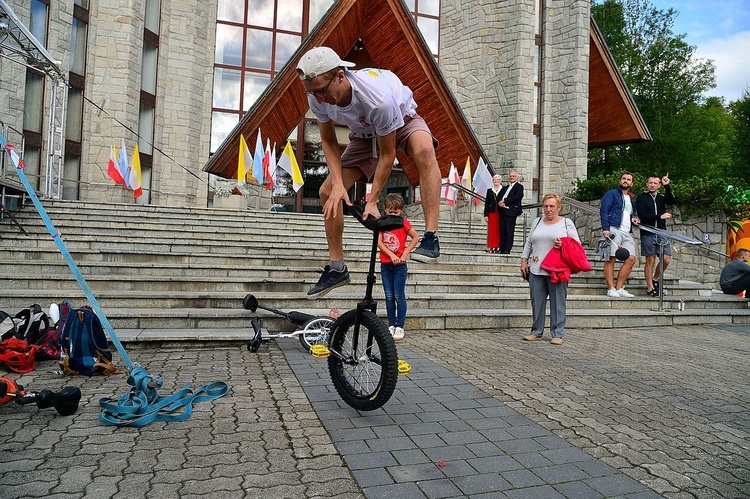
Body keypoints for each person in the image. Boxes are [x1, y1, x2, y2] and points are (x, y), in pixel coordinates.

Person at [296, 47, 442, 298]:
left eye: (321, 91)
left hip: (403, 120)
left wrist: (373, 199)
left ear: (340, 75)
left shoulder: (377, 99)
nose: (318, 98)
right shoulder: (316, 96)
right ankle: (337, 268)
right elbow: (329, 141)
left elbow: (388, 153)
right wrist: (340, 185)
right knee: (327, 191)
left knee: (425, 149)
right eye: (312, 93)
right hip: (365, 135)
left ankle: (431, 236)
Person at [520, 193, 581, 345]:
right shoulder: (537, 221)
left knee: (558, 302)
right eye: (546, 206)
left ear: (558, 207)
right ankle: (536, 331)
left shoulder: (566, 223)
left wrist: (564, 245)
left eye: (552, 206)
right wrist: (523, 261)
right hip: (536, 268)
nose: (548, 209)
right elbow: (529, 242)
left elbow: (577, 245)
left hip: (557, 269)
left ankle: (558, 334)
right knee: (537, 302)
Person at [377, 193, 419, 341]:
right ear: (385, 209)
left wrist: (405, 253)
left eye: (396, 212)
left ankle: (400, 326)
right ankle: (391, 324)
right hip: (386, 265)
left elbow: (415, 237)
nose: (393, 214)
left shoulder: (403, 222)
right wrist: (391, 255)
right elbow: (380, 242)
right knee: (389, 296)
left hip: (400, 266)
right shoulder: (382, 223)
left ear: (401, 211)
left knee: (398, 296)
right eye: (390, 212)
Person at [600, 172, 639, 298]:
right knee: (611, 258)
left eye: (628, 179)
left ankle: (619, 288)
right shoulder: (612, 194)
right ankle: (611, 288)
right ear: (620, 181)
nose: (625, 181)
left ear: (632, 183)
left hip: (627, 232)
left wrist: (633, 219)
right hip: (613, 228)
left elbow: (627, 213)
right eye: (623, 178)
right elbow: (604, 211)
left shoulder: (631, 199)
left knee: (631, 259)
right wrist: (606, 228)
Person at [636, 173, 675, 296]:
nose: (652, 185)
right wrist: (660, 216)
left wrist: (667, 185)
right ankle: (650, 287)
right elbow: (643, 216)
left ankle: (655, 278)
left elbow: (672, 201)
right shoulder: (642, 197)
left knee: (666, 259)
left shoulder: (661, 197)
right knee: (650, 260)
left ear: (658, 185)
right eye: (650, 182)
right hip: (648, 231)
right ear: (647, 184)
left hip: (661, 231)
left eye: (655, 183)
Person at [497, 170, 524, 254]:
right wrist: (500, 202)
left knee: (509, 231)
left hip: (511, 211)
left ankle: (507, 249)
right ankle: (501, 248)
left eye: (513, 176)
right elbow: (499, 196)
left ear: (517, 177)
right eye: (510, 176)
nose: (511, 177)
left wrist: (505, 200)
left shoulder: (519, 186)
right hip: (502, 211)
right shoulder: (505, 187)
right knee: (502, 230)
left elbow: (518, 197)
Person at [483, 174, 503, 253]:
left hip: (501, 213)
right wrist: (486, 215)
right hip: (492, 213)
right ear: (493, 181)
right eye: (495, 180)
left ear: (500, 181)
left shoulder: (503, 189)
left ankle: (498, 246)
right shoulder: (489, 190)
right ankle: (491, 246)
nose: (496, 181)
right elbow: (487, 203)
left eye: (498, 180)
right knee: (492, 231)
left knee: (499, 230)